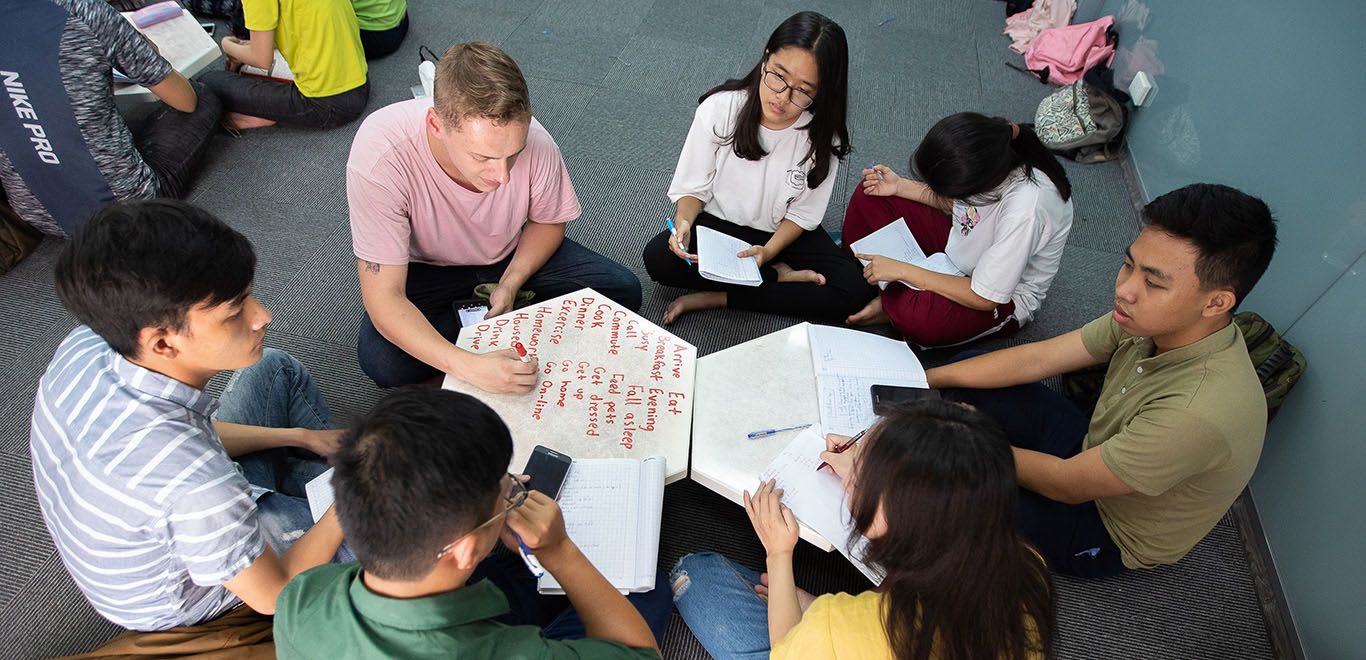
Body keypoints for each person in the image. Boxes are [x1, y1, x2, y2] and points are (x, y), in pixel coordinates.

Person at [32, 200, 345, 657]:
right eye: (235, 311)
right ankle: (327, 493)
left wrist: (298, 436)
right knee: (409, 512)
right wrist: (354, 496)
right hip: (199, 595)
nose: (263, 316)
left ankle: (311, 483)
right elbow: (275, 595)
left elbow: (191, 439)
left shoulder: (90, 344)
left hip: (181, 511)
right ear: (161, 342)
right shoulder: (196, 483)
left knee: (275, 369)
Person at [926, 183, 1278, 577]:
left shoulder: (1196, 412)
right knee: (969, 371)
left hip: (1106, 525)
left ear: (1216, 303)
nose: (1124, 290)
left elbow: (1067, 484)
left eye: (1153, 282)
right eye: (1129, 264)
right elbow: (1039, 358)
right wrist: (921, 377)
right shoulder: (1146, 317)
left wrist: (968, 438)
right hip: (1093, 445)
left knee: (939, 476)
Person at [274, 387, 670, 659]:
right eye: (507, 494)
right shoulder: (515, 654)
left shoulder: (302, 595)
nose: (513, 491)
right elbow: (642, 653)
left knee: (513, 574)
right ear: (463, 550)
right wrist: (560, 552)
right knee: (648, 589)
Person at [349, 41, 642, 390]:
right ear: (436, 124)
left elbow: (548, 222)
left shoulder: (538, 143)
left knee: (622, 290)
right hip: (426, 269)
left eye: (513, 155)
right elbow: (383, 296)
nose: (502, 176)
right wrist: (467, 368)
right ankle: (490, 339)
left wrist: (511, 281)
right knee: (381, 359)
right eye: (483, 158)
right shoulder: (381, 155)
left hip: (508, 254)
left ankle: (480, 326)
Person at [672, 399, 1054, 660]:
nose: (848, 472)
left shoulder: (847, 627)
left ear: (889, 519)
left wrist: (780, 553)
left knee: (695, 575)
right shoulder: (1028, 564)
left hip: (831, 642)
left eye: (861, 476)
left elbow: (786, 647)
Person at [640, 11, 873, 325]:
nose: (782, 97)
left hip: (782, 233)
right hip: (720, 223)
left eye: (803, 90)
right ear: (766, 58)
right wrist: (682, 223)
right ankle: (775, 279)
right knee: (659, 260)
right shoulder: (721, 109)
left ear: (822, 90)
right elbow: (693, 189)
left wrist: (769, 251)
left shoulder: (821, 135)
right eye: (778, 75)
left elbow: (802, 216)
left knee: (854, 291)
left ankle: (723, 296)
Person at [842, 113, 1074, 348]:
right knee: (870, 195)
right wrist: (899, 186)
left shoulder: (1026, 210)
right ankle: (894, 295)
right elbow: (956, 207)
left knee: (921, 319)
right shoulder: (990, 147)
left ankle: (889, 299)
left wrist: (904, 271)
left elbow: (985, 298)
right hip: (963, 243)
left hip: (996, 295)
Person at [0, 0, 221, 237]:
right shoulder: (81, 10)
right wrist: (135, 45)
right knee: (201, 96)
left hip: (38, 214)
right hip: (125, 210)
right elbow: (185, 101)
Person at [200, 0, 369, 130]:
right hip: (360, 82)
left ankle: (272, 116)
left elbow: (261, 60)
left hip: (326, 104)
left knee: (208, 81)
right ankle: (278, 111)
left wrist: (226, 44)